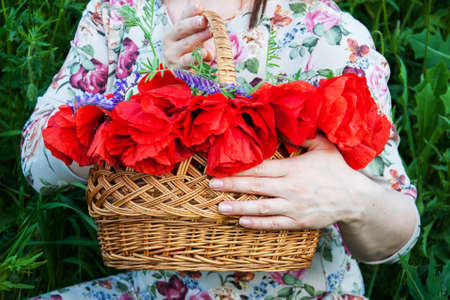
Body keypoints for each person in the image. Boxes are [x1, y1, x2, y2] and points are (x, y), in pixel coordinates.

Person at [23, 0, 420, 299]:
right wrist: (135, 108)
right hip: (153, 289)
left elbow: (398, 233)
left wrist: (352, 199)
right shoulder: (119, 13)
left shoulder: (326, 34)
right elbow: (36, 162)